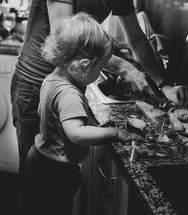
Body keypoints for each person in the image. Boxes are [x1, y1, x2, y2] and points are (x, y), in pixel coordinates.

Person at [11, 0, 188, 181]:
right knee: (37, 181)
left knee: (62, 178)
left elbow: (137, 38)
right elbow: (67, 33)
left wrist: (164, 84)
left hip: (73, 87)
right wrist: (125, 66)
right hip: (39, 87)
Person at [19, 13, 143, 215]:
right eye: (100, 68)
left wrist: (96, 127)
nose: (101, 73)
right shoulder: (69, 94)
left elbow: (60, 122)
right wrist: (115, 133)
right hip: (55, 172)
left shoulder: (52, 79)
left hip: (41, 160)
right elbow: (76, 133)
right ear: (82, 66)